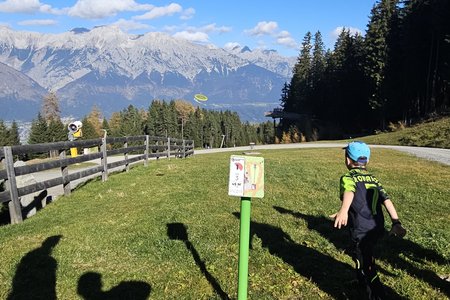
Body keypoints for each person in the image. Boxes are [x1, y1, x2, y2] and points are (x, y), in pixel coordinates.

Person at [331, 141, 406, 300]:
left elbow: (350, 192)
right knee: (361, 254)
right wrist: (396, 222)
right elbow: (387, 200)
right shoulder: (373, 179)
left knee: (366, 263)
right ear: (367, 161)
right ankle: (362, 281)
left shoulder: (348, 177)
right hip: (376, 227)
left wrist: (343, 210)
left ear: (348, 160)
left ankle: (377, 293)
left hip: (361, 228)